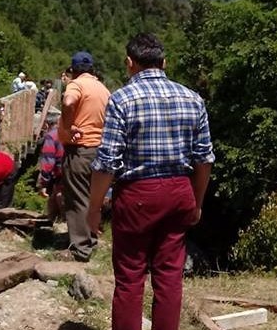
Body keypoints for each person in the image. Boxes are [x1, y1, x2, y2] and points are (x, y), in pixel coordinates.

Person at [88, 33, 215, 330]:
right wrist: (197, 203)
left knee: (130, 277)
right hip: (180, 191)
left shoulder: (121, 99)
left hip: (137, 196)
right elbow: (204, 159)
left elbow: (107, 162)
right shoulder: (193, 99)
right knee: (170, 277)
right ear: (164, 62)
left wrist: (94, 207)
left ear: (129, 63)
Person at [57, 51, 111, 262]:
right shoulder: (103, 89)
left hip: (79, 149)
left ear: (74, 70)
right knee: (92, 197)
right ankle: (91, 238)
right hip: (100, 150)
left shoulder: (76, 85)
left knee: (77, 198)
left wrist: (69, 127)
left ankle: (80, 249)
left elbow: (69, 102)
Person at [37, 112, 65, 221]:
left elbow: (48, 161)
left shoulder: (51, 136)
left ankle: (63, 223)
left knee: (59, 195)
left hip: (60, 172)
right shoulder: (69, 132)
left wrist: (43, 182)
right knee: (54, 197)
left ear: (47, 125)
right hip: (73, 168)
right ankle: (52, 221)